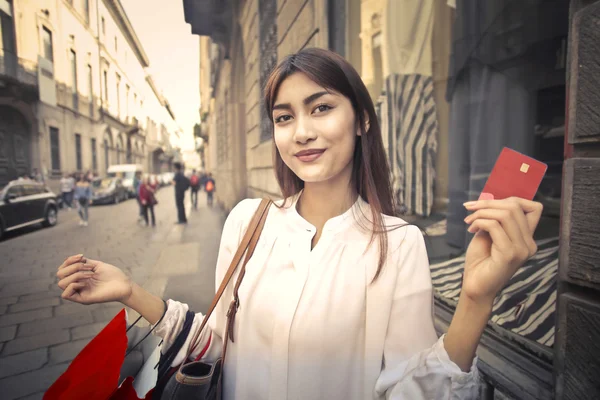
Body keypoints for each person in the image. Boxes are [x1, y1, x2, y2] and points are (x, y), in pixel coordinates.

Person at [56, 48, 543, 399]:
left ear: (361, 121)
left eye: (322, 107)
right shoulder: (248, 221)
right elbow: (220, 344)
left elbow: (410, 390)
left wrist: (477, 300)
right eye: (284, 117)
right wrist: (128, 290)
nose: (302, 132)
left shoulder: (399, 245)